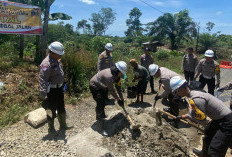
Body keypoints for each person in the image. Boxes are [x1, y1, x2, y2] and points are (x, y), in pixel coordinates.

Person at [170, 76, 232, 157]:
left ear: (180, 89)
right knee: (208, 132)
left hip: (228, 121)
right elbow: (194, 109)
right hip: (219, 118)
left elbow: (203, 121)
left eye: (175, 92)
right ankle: (204, 153)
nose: (176, 94)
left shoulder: (196, 99)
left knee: (215, 151)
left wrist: (190, 118)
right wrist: (184, 116)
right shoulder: (193, 93)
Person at [39, 41, 73, 135]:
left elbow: (59, 73)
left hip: (59, 89)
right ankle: (51, 129)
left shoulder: (56, 60)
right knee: (51, 109)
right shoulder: (46, 64)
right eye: (59, 54)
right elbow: (42, 79)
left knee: (61, 107)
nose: (60, 56)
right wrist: (43, 95)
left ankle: (63, 125)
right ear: (53, 53)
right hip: (51, 91)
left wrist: (63, 83)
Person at [89, 61, 127, 136]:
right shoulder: (109, 77)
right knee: (101, 103)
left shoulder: (117, 76)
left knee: (103, 101)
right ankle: (101, 128)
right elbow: (112, 91)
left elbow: (118, 88)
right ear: (118, 71)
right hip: (95, 86)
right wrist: (118, 99)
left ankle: (99, 115)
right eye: (121, 73)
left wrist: (121, 99)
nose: (122, 75)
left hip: (103, 86)